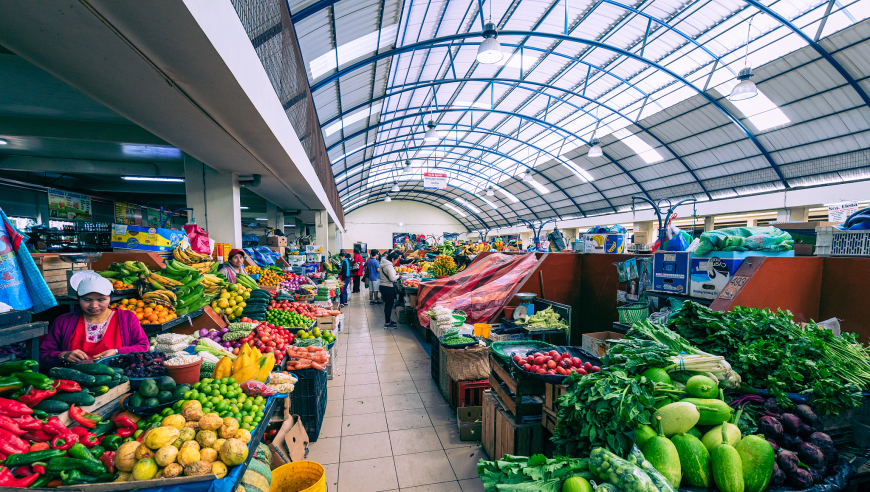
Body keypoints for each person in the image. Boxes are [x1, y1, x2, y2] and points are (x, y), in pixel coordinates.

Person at [41, 276, 149, 368]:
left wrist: (116, 352)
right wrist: (63, 355)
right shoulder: (63, 321)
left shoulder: (127, 318)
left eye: (101, 300)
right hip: (74, 381)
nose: (94, 305)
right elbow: (43, 354)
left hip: (117, 378)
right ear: (78, 299)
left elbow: (143, 346)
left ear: (110, 298)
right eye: (87, 300)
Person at [379, 251, 401, 328]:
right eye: (396, 260)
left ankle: (388, 320)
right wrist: (398, 276)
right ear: (392, 259)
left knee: (387, 305)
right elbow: (392, 278)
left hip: (383, 286)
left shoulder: (383, 264)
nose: (397, 262)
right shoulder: (389, 266)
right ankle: (387, 323)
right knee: (389, 305)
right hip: (387, 287)